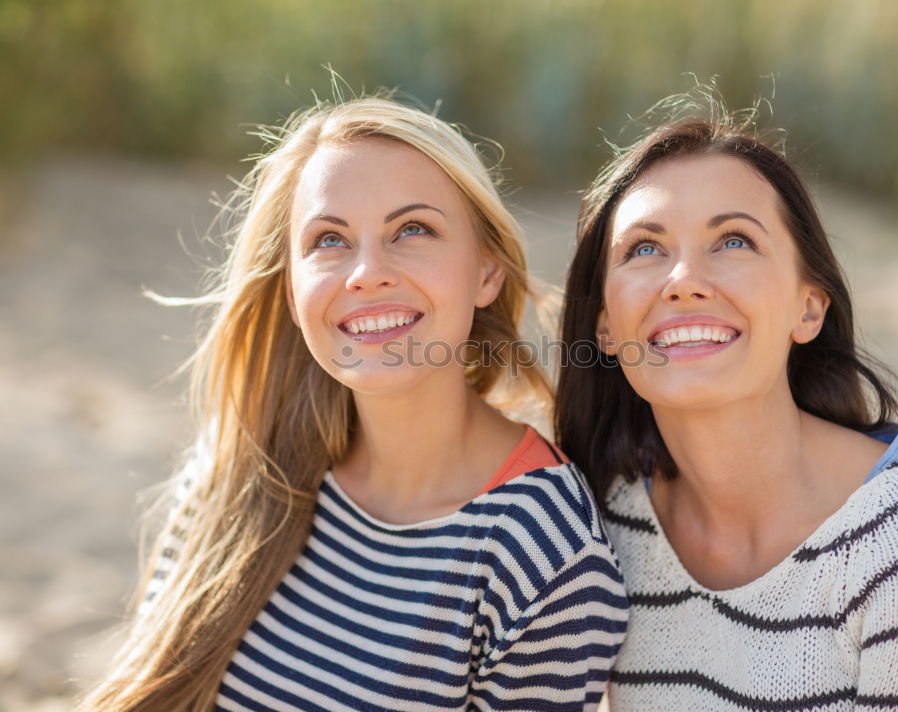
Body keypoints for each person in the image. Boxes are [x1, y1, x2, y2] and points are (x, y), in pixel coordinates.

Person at [85, 95, 628, 711]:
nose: (366, 272)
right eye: (329, 240)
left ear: (487, 270)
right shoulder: (238, 465)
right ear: (294, 294)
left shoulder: (542, 545)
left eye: (413, 230)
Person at [555, 105, 898, 710]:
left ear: (808, 309)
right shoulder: (604, 525)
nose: (684, 279)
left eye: (733, 240)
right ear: (606, 327)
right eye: (644, 249)